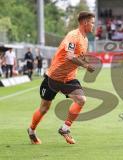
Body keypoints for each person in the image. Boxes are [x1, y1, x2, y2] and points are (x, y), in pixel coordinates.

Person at [27, 11, 95, 145]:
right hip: (52, 78)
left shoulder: (85, 39)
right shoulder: (73, 35)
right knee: (44, 108)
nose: (94, 25)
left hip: (68, 79)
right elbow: (70, 56)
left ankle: (65, 128)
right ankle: (31, 130)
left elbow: (79, 57)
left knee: (81, 99)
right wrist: (86, 66)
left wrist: (86, 61)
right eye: (92, 22)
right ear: (85, 22)